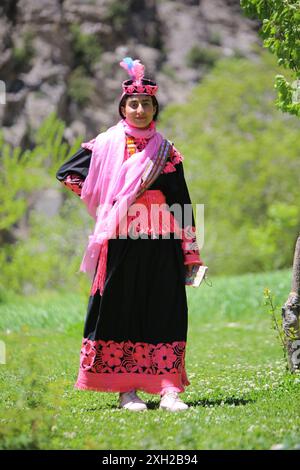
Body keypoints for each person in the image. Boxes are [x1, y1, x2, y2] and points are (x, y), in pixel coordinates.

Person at [56, 57, 204, 412]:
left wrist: (191, 251)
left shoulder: (167, 152)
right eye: (133, 104)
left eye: (147, 104)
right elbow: (68, 173)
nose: (140, 110)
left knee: (165, 308)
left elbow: (181, 201)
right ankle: (127, 391)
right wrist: (106, 200)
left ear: (155, 108)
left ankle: (168, 388)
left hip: (163, 241)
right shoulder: (105, 145)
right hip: (121, 239)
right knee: (121, 308)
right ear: (123, 107)